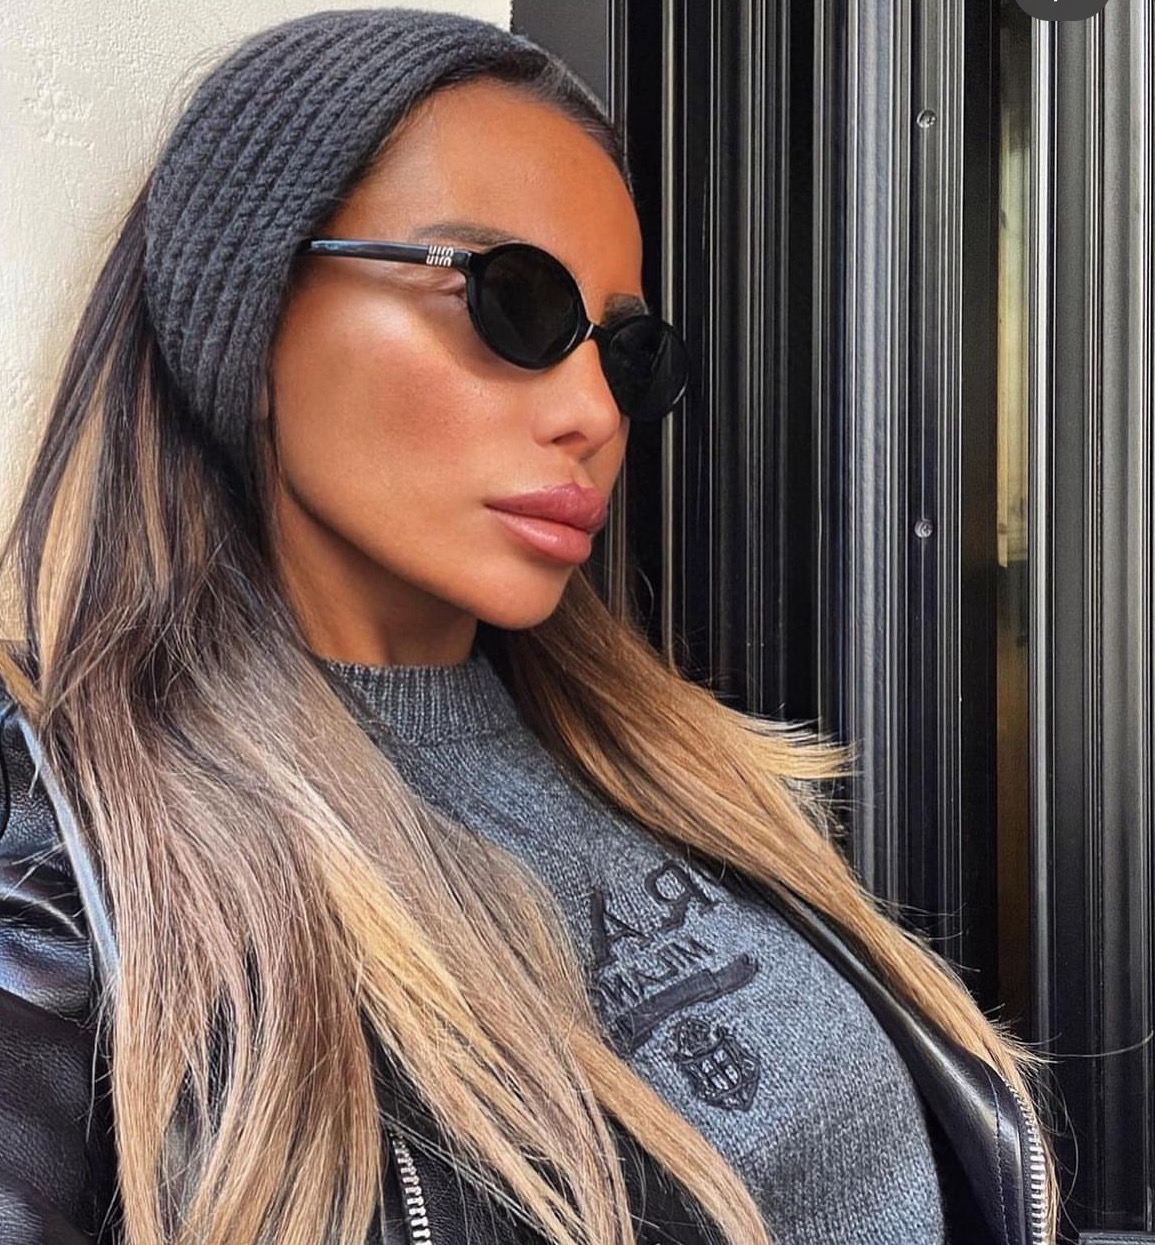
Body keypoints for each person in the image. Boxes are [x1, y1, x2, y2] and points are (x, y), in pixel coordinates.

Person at [0, 8, 1056, 1245]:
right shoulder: (59, 883)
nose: (594, 412)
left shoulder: (679, 768)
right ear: (250, 305)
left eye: (627, 352)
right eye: (511, 301)